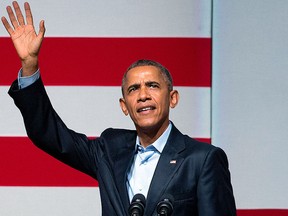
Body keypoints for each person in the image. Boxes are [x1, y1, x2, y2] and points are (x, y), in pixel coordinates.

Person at [2, 2, 236, 215]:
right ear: (124, 106)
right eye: (133, 89)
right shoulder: (109, 150)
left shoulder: (202, 159)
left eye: (152, 86)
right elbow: (49, 134)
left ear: (173, 98)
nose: (143, 95)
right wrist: (30, 66)